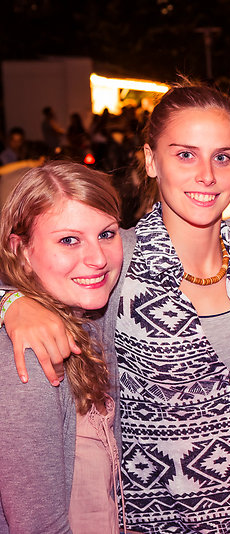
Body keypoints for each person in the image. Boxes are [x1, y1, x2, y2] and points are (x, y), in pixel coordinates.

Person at [4, 83, 230, 533]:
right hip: (158, 521)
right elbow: (31, 267)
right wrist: (11, 301)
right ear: (152, 160)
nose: (207, 175)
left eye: (222, 156)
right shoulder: (114, 258)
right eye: (185, 155)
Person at [0, 160, 124, 532]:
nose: (98, 258)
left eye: (107, 234)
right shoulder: (28, 356)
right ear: (21, 250)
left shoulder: (87, 314)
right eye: (69, 240)